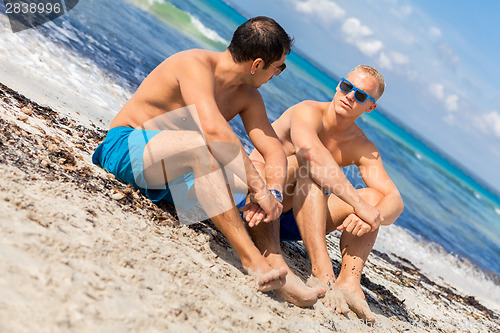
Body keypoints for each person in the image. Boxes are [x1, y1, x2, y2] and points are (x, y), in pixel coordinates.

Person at [92, 16, 295, 292]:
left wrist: (272, 191)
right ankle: (252, 261)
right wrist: (258, 187)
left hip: (180, 177)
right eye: (278, 68)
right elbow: (212, 131)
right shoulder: (194, 64)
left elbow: (273, 149)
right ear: (258, 64)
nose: (276, 75)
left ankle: (277, 264)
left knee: (253, 177)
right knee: (212, 154)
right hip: (128, 150)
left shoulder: (248, 96)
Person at [246, 65, 404, 321]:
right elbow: (310, 153)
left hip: (301, 220)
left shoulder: (361, 145)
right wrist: (357, 204)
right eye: (346, 86)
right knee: (307, 164)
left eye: (361, 96)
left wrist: (371, 215)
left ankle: (349, 282)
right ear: (338, 85)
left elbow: (395, 201)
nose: (350, 96)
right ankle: (321, 270)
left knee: (375, 199)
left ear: (370, 107)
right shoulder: (307, 111)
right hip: (259, 202)